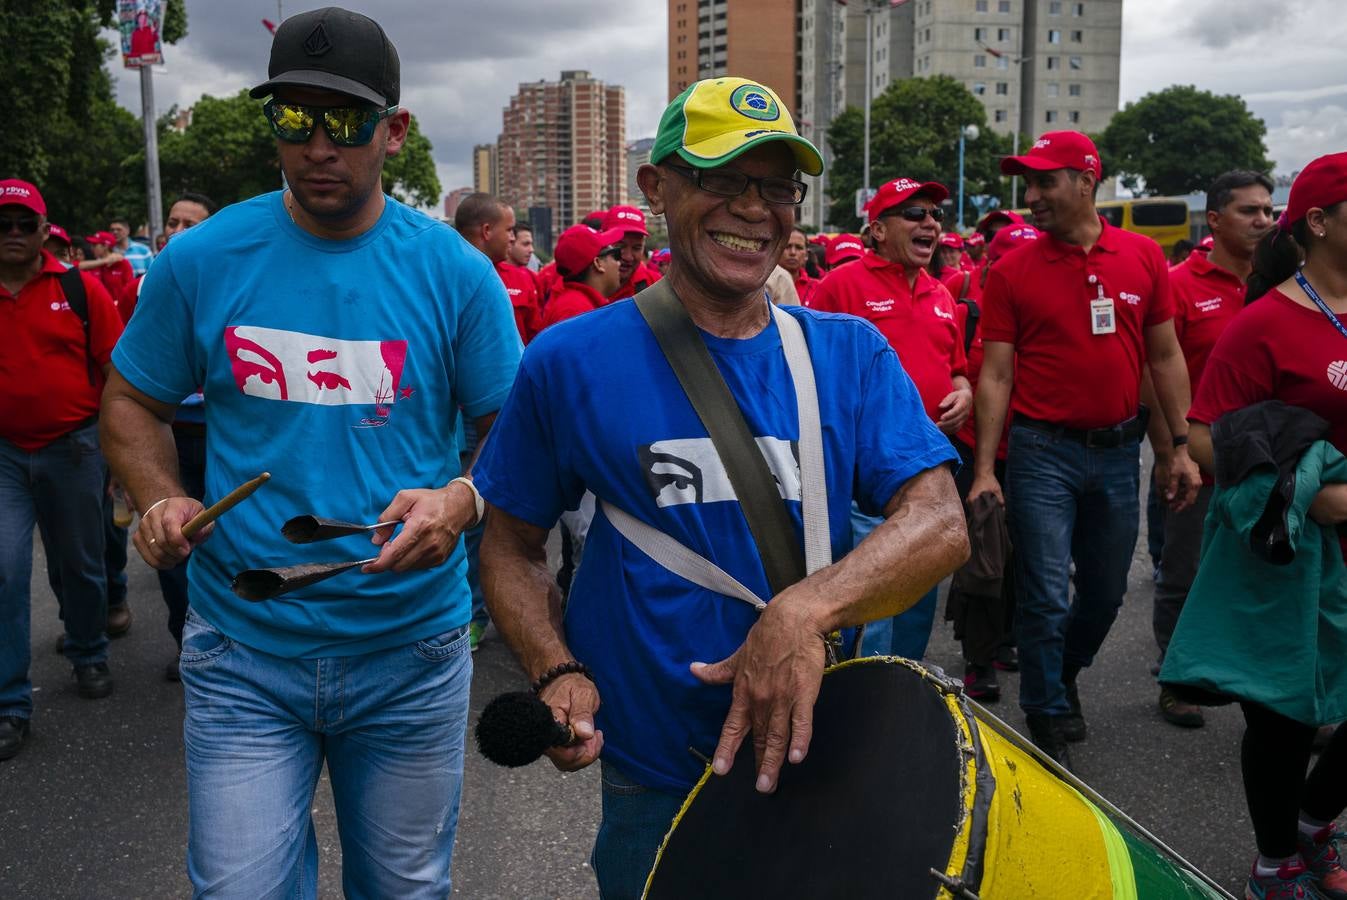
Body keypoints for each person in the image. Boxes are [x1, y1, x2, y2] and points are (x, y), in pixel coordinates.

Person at [475, 76, 967, 898]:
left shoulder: (848, 351)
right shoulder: (569, 360)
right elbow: (511, 545)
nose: (753, 209)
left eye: (776, 187)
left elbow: (938, 519)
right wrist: (555, 668)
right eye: (721, 179)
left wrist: (805, 609)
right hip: (655, 766)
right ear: (656, 186)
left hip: (824, 751)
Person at [98, 9, 521, 895]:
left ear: (394, 132)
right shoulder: (203, 259)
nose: (319, 145)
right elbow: (132, 402)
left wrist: (460, 501)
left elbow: (510, 433)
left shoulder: (454, 273)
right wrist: (160, 498)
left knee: (403, 889)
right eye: (294, 118)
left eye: (347, 120)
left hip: (411, 653)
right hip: (243, 652)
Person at [968, 131, 1200, 767]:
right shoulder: (1012, 269)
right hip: (1042, 453)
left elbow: (1163, 356)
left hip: (1121, 453)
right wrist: (985, 469)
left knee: (1103, 593)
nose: (1032, 196)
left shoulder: (1144, 258)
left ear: (1086, 180)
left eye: (1045, 181)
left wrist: (1178, 449)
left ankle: (1062, 672)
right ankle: (1045, 712)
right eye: (1029, 183)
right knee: (1044, 592)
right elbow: (995, 375)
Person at [1179, 152, 1347, 900]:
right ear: (1317, 221)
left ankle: (1314, 819)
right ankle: (1274, 862)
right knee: (1282, 720)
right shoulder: (1263, 324)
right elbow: (1205, 439)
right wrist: (1306, 488)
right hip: (1290, 556)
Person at [811, 176, 970, 662]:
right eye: (915, 214)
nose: (930, 223)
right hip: (866, 479)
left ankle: (906, 689)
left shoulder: (941, 294)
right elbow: (806, 369)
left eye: (935, 215)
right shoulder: (841, 285)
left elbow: (957, 368)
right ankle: (866, 702)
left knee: (917, 596)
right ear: (878, 230)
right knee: (872, 605)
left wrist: (963, 393)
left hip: (928, 475)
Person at [0, 179, 124, 762]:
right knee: (5, 571)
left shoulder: (79, 288)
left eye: (26, 224)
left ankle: (87, 648)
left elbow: (116, 374)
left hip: (72, 447)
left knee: (81, 561)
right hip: (4, 455)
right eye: (4, 224)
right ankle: (10, 703)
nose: (15, 235)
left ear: (45, 231)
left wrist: (119, 453)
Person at [1147, 170, 1274, 729]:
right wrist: (1172, 449)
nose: (1263, 221)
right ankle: (1178, 681)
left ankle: (1275, 687)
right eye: (1249, 211)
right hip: (1200, 454)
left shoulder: (1286, 286)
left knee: (1271, 574)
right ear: (1216, 220)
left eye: (1268, 211)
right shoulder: (1178, 284)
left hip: (1269, 460)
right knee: (1186, 572)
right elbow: (1155, 372)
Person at [456, 192, 539, 344]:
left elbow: (535, 339)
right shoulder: (441, 279)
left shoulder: (522, 279)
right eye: (509, 230)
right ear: (486, 231)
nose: (513, 238)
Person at [539, 223, 625, 329]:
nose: (619, 263)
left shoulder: (581, 304)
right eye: (615, 255)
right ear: (598, 263)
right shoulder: (574, 311)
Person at [605, 205, 661, 300]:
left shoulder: (655, 286)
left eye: (636, 248)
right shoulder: (585, 286)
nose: (628, 257)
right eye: (620, 246)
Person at [80, 231, 135, 305]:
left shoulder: (122, 263)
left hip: (119, 308)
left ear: (106, 246)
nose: (91, 248)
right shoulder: (93, 264)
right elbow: (77, 266)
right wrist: (106, 261)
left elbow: (130, 288)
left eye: (95, 245)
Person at [779, 226, 817, 307]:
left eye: (799, 248)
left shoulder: (818, 288)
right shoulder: (763, 286)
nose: (793, 252)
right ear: (777, 250)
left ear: (806, 254)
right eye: (787, 246)